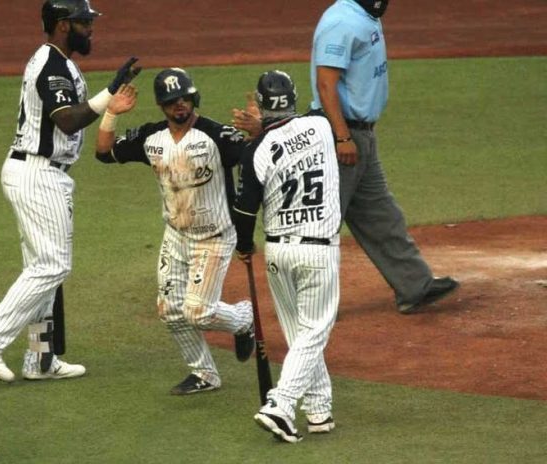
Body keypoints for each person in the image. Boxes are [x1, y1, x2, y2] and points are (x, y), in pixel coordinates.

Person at [0, 0, 140, 383]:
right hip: (38, 174)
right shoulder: (51, 64)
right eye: (83, 22)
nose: (90, 29)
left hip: (42, 173)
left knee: (42, 268)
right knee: (52, 266)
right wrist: (109, 93)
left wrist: (107, 94)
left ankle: (41, 359)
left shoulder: (62, 62)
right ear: (62, 25)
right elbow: (69, 121)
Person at [94, 68, 255, 395]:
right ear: (161, 105)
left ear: (194, 98)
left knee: (199, 312)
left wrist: (259, 128)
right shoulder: (151, 138)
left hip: (214, 237)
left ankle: (243, 318)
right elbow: (103, 153)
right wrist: (111, 113)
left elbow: (256, 156)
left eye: (184, 98)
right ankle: (204, 375)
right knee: (170, 309)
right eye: (171, 101)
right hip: (176, 237)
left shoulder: (216, 135)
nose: (179, 105)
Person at [310, 0, 459, 314]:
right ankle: (308, 304)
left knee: (381, 215)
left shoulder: (366, 15)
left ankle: (414, 286)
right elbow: (326, 84)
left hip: (361, 135)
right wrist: (342, 136)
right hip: (342, 134)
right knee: (323, 224)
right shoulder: (342, 21)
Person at [232, 70, 341, 443]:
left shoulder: (256, 150)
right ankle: (280, 404)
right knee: (314, 330)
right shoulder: (322, 127)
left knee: (300, 332)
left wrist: (245, 246)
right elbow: (324, 111)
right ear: (294, 98)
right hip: (318, 248)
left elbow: (244, 210)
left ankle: (319, 410)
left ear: (261, 107)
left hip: (278, 250)